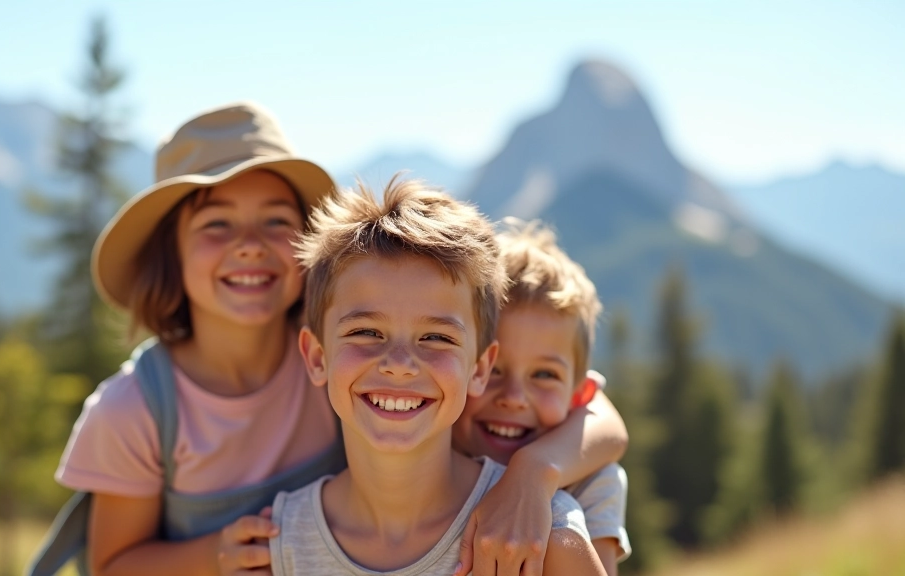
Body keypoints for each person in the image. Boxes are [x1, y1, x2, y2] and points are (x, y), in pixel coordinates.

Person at [36, 103, 625, 576]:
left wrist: (534, 475)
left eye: (275, 221)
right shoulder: (136, 410)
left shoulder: (352, 355)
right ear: (316, 356)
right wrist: (216, 558)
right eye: (217, 223)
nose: (397, 362)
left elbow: (589, 408)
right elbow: (109, 564)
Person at [269, 179, 607, 575]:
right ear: (316, 356)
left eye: (435, 337)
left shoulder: (542, 533)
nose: (400, 363)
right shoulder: (281, 538)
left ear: (479, 368)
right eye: (366, 332)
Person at [452, 219, 631, 576]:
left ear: (579, 395)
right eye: (494, 370)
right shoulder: (421, 452)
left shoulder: (592, 482)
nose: (515, 398)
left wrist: (534, 474)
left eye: (544, 375)